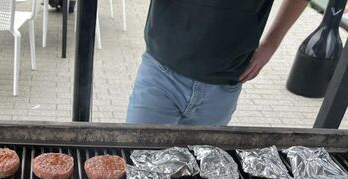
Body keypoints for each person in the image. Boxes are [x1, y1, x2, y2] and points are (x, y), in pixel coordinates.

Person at [126, 0, 309, 125]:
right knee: (140, 162)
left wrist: (272, 42)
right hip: (161, 74)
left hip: (222, 88)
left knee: (196, 177)